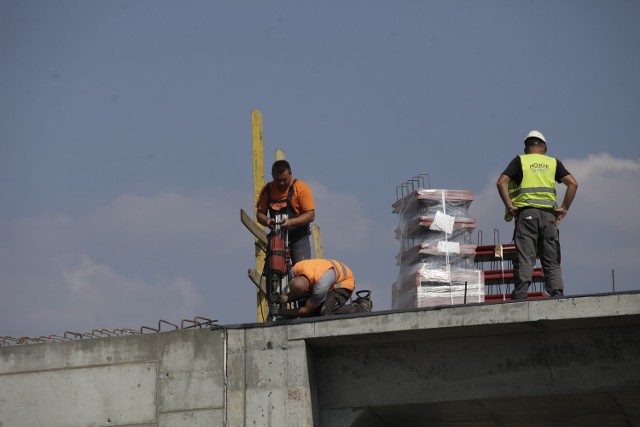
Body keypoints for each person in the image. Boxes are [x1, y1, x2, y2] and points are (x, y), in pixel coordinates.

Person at [497, 130, 578, 300]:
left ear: (526, 148)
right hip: (549, 217)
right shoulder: (553, 162)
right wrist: (564, 208)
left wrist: (509, 206)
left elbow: (501, 182)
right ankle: (556, 293)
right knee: (551, 257)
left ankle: (520, 294)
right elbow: (573, 184)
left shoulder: (520, 160)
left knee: (525, 256)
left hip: (526, 215)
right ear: (544, 148)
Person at [256, 160, 315, 265]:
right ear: (272, 176)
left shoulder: (301, 188)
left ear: (291, 174)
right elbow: (260, 214)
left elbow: (310, 215)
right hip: (277, 236)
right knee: (274, 267)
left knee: (302, 269)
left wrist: (290, 223)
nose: (281, 183)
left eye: (284, 179)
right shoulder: (267, 190)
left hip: (299, 237)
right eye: (277, 180)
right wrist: (268, 221)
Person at [269, 259, 372, 318]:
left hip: (344, 280)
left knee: (326, 312)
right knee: (311, 305)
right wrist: (281, 299)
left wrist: (280, 312)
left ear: (307, 290)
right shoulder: (296, 269)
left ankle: (360, 308)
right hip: (328, 273)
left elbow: (306, 311)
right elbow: (295, 292)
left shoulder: (320, 288)